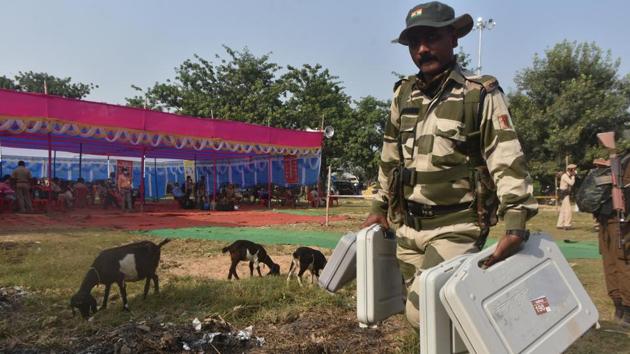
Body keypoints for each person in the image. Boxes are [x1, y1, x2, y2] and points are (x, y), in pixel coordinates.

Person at [362, 1, 538, 328]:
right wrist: (379, 205)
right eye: (415, 43)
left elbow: (506, 155)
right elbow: (390, 156)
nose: (422, 49)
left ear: (453, 38)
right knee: (423, 314)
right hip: (409, 226)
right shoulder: (403, 95)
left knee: (424, 311)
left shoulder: (479, 93)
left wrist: (516, 218)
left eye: (431, 38)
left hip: (457, 226)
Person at [592, 156, 630, 326]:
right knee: (623, 263)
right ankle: (626, 311)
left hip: (606, 220)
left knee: (611, 263)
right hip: (620, 220)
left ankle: (620, 308)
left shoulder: (619, 159)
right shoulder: (622, 162)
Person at [556, 164, 577, 230]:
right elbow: (571, 183)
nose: (575, 171)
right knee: (568, 210)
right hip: (564, 193)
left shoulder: (566, 175)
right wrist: (573, 176)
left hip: (564, 193)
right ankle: (567, 224)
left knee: (563, 209)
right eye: (574, 169)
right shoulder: (565, 176)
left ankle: (560, 224)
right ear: (571, 170)